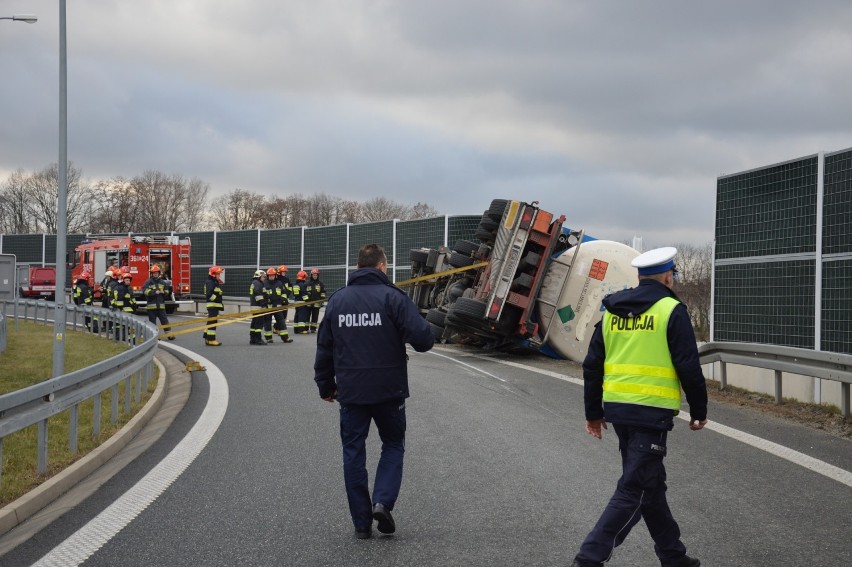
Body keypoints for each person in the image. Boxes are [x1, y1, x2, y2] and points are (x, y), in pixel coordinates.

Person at [571, 247, 708, 567]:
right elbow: (688, 364)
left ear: (638, 277)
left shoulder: (610, 312)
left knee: (650, 485)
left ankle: (674, 557)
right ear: (668, 276)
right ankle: (588, 560)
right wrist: (699, 410)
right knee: (633, 489)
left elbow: (592, 366)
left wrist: (593, 413)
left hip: (619, 412)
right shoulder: (671, 310)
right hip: (651, 413)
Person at [314, 243, 434, 540]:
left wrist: (326, 385)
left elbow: (324, 348)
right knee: (392, 444)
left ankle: (361, 522)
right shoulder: (394, 298)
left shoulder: (337, 301)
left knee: (353, 452)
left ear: (357, 267)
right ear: (382, 266)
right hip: (389, 391)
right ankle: (382, 501)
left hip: (351, 393)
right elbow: (424, 340)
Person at [142, 265, 175, 340]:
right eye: (154, 273)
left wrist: (164, 292)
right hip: (151, 307)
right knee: (152, 323)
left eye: (156, 273)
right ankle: (155, 336)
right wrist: (154, 292)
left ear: (159, 273)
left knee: (165, 321)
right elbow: (145, 291)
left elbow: (167, 291)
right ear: (152, 274)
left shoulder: (162, 282)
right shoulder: (148, 282)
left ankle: (170, 335)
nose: (155, 274)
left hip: (161, 306)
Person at [270, 265, 293, 343]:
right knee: (280, 316)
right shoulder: (277, 280)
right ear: (279, 272)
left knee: (284, 316)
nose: (284, 273)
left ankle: (276, 328)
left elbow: (290, 287)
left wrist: (287, 294)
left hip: (285, 300)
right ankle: (277, 329)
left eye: (285, 272)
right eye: (283, 272)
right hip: (279, 301)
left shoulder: (287, 279)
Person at [112, 272, 137, 343]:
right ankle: (131, 339)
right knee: (129, 325)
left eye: (129, 280)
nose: (128, 282)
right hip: (125, 310)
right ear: (123, 280)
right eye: (127, 280)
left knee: (124, 325)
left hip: (125, 310)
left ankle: (123, 337)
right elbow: (121, 299)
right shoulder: (122, 288)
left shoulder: (124, 287)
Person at [204, 266, 224, 346]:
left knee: (211, 321)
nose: (219, 275)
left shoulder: (213, 282)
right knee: (213, 322)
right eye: (218, 274)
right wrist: (217, 300)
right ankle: (211, 339)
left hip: (213, 305)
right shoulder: (211, 282)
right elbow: (209, 294)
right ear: (213, 274)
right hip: (213, 305)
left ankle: (207, 337)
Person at [249, 269, 268, 345]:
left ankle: (252, 339)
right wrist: (263, 304)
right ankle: (258, 339)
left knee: (254, 323)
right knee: (259, 324)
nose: (264, 278)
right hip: (258, 306)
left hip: (254, 306)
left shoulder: (255, 283)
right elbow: (259, 295)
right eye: (263, 277)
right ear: (258, 276)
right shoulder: (258, 283)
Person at [305, 268, 327, 333]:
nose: (315, 276)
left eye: (316, 275)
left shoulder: (320, 284)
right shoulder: (307, 283)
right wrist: (306, 300)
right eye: (314, 275)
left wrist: (322, 301)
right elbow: (305, 292)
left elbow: (322, 293)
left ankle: (313, 329)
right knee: (307, 316)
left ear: (318, 276)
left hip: (317, 303)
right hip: (308, 303)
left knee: (315, 316)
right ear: (311, 275)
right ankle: (306, 328)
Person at [263, 267, 279, 343]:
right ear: (268, 276)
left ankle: (285, 337)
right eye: (270, 275)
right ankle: (268, 338)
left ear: (275, 275)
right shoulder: (264, 284)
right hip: (268, 306)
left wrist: (283, 299)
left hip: (277, 306)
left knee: (281, 321)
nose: (271, 277)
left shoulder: (278, 283)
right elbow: (263, 295)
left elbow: (283, 292)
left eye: (273, 275)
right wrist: (266, 301)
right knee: (267, 322)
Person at [292, 270, 309, 334]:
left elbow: (294, 294)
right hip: (302, 302)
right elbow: (304, 294)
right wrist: (308, 300)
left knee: (297, 315)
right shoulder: (302, 285)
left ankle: (296, 329)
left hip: (296, 302)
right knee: (302, 316)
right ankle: (301, 329)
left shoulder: (295, 285)